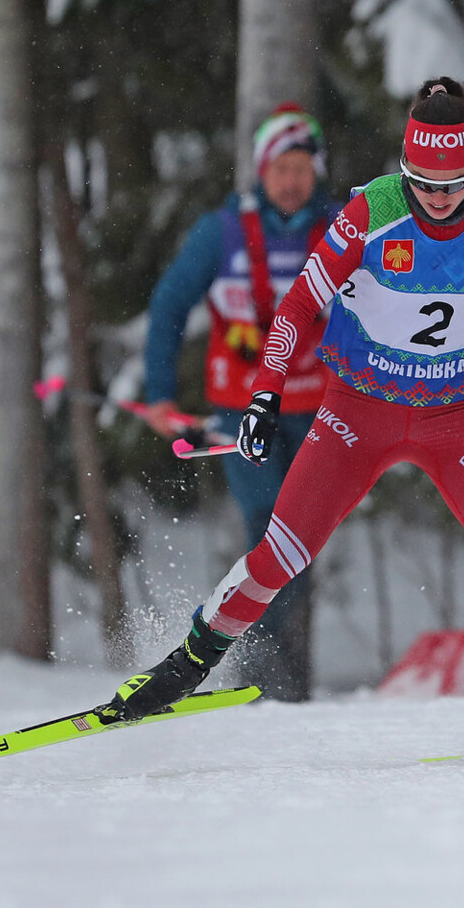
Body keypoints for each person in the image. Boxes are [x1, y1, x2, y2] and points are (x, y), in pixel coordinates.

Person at [101, 78, 464, 754]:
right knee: (278, 557)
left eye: (453, 183)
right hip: (358, 413)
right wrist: (264, 396)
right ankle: (182, 668)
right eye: (422, 183)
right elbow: (296, 309)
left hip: (455, 418)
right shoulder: (369, 212)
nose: (437, 198)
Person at [140, 103, 340, 701]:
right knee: (267, 527)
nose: (291, 180)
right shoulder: (220, 233)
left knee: (302, 535)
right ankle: (258, 669)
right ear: (260, 171)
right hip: (240, 410)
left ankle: (283, 675)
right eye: (281, 167)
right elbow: (169, 306)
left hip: (316, 407)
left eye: (302, 168)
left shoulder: (338, 229)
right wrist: (159, 394)